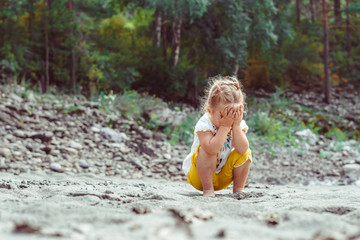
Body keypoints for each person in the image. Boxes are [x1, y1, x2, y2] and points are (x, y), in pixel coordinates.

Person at [182, 76, 252, 197]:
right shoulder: (205, 123)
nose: (228, 119)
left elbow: (242, 149)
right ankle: (208, 190)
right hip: (200, 178)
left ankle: (238, 189)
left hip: (222, 178)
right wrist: (225, 127)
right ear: (210, 110)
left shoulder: (237, 123)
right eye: (223, 115)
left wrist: (235, 126)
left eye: (233, 114)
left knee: (246, 152)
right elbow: (212, 149)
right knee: (206, 149)